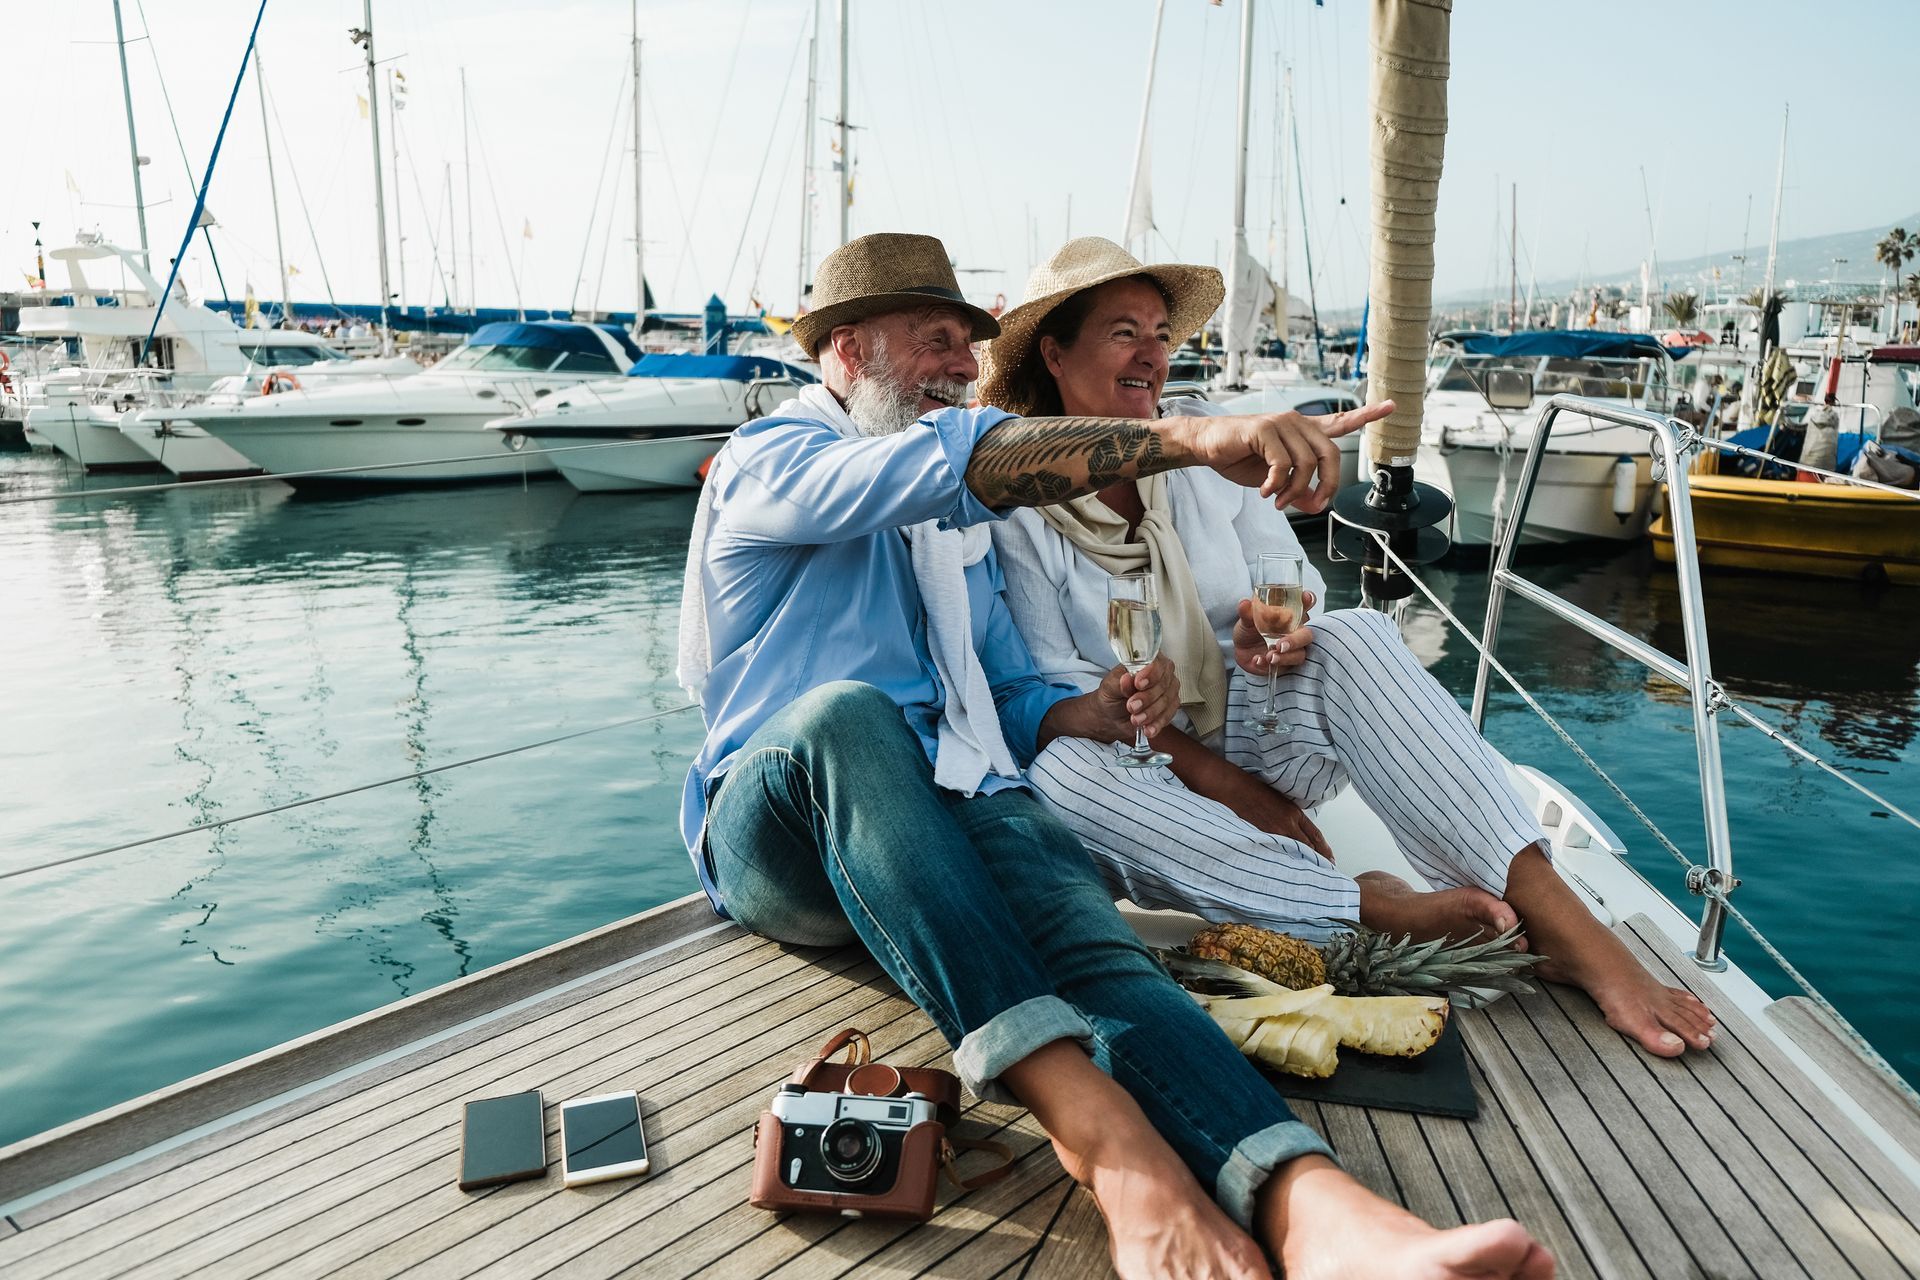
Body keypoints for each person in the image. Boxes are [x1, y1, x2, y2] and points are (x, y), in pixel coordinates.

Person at [679, 232, 1552, 1279]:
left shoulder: (951, 530)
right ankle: (1117, 1157)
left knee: (1093, 941)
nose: (961, 363)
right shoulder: (773, 461)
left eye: (967, 342)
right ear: (848, 348)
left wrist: (1090, 709)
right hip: (782, 831)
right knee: (849, 718)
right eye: (935, 339)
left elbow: (1010, 695)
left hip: (939, 810)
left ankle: (1315, 1207)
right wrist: (1196, 437)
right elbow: (963, 459)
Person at [978, 236, 1716, 1061]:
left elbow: (1292, 584)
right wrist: (1231, 789)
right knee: (1064, 776)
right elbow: (1062, 692)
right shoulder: (1014, 506)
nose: (1153, 354)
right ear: (1054, 353)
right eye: (1125, 333)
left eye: (1159, 333)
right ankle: (1365, 906)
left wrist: (1275, 632)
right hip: (1143, 776)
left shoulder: (1209, 451)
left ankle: (1559, 917)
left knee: (1356, 633)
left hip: (1253, 727)